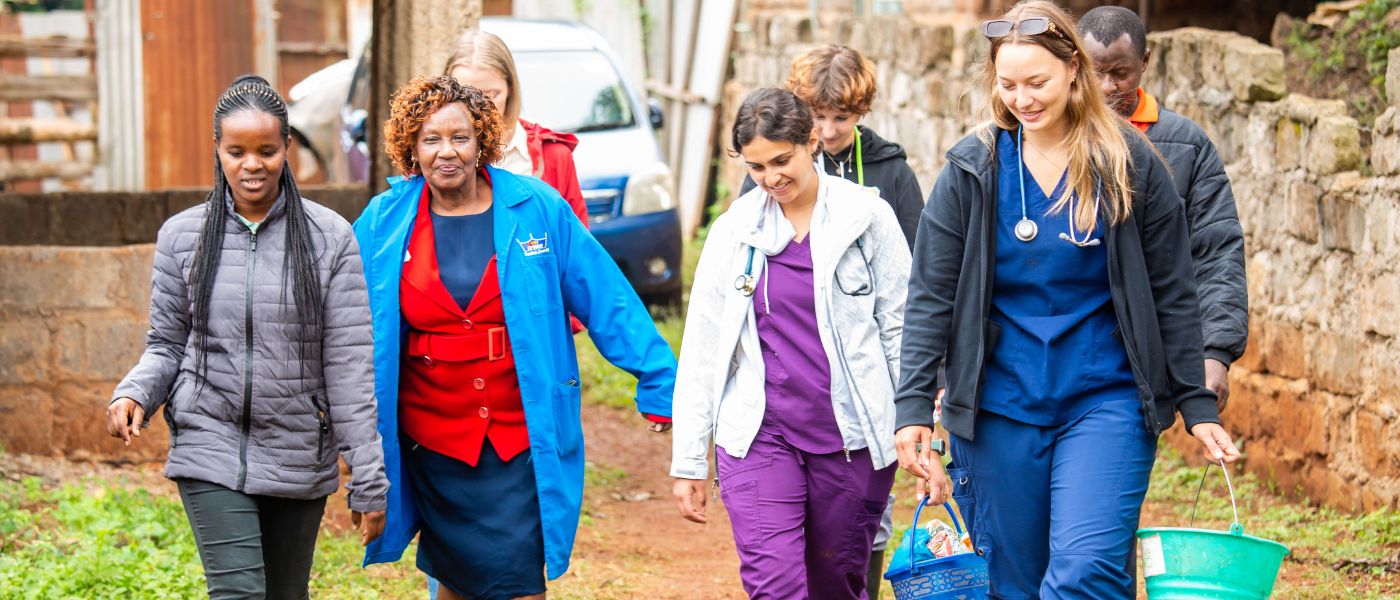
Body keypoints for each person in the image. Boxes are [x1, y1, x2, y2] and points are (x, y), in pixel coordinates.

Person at [893, 2, 1241, 598]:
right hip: (999, 404)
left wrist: (1196, 401)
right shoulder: (973, 169)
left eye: (1037, 83)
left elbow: (1173, 289)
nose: (1022, 100)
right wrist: (913, 406)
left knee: (1086, 571)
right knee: (1013, 582)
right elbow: (930, 294)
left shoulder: (1128, 162)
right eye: (1008, 85)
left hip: (1105, 396)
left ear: (1073, 69)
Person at [355, 75, 676, 600]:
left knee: (520, 582)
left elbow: (604, 295)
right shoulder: (382, 222)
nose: (446, 152)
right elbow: (344, 322)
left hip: (519, 433)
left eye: (460, 137)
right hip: (431, 439)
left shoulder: (536, 208)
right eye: (431, 139)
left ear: (482, 140)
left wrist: (659, 380)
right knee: (455, 579)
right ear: (411, 147)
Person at [105, 74, 388, 600]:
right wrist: (135, 392)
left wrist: (368, 476)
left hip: (298, 448)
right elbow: (167, 343)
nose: (251, 164)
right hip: (209, 441)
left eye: (266, 151)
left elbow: (348, 367)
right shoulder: (182, 236)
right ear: (217, 149)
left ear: (287, 147)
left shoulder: (329, 238)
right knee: (237, 592)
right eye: (236, 152)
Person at [672, 88, 919, 600]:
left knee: (837, 584)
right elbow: (702, 351)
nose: (770, 178)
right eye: (757, 167)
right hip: (759, 434)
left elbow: (901, 329)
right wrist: (690, 460)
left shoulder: (867, 218)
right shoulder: (734, 231)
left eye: (782, 161)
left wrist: (919, 428)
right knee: (775, 586)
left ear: (812, 142)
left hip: (850, 438)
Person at [1078, 5, 1248, 412]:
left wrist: (1214, 351)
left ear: (1145, 62)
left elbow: (1217, 250)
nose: (1106, 87)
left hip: (1146, 354)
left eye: (1120, 73)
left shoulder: (1185, 145)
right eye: (1095, 73)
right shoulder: (1047, 137)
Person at [739, 45, 923, 251]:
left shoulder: (894, 170)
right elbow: (745, 234)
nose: (828, 131)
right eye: (818, 116)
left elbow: (914, 248)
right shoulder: (778, 165)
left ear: (861, 110)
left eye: (841, 118)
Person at [445, 28, 589, 228]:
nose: (478, 107)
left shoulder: (553, 156)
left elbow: (575, 241)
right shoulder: (432, 156)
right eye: (464, 95)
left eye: (491, 95)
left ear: (510, 89)